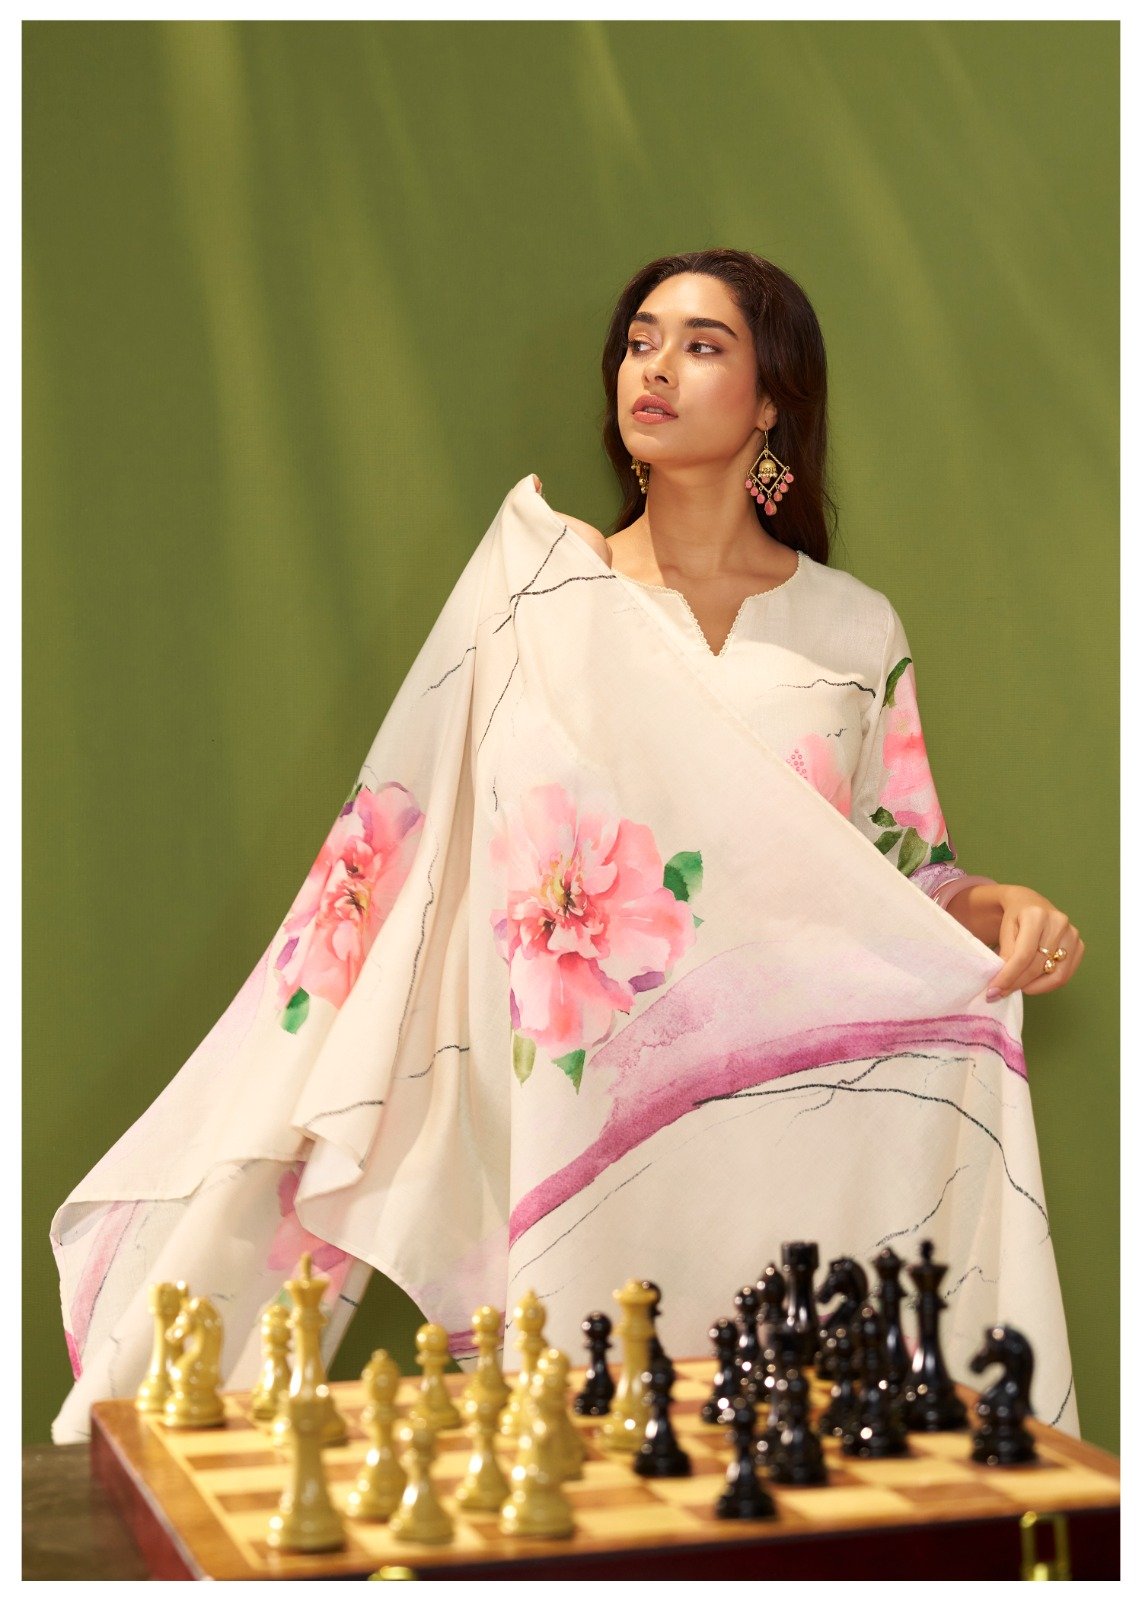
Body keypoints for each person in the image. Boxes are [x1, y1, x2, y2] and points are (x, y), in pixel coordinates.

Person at [49, 249, 1083, 1445]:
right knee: (583, 1457)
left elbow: (899, 873)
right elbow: (433, 832)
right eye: (639, 341)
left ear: (770, 402)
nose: (654, 366)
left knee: (764, 1461)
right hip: (565, 1113)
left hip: (775, 1120)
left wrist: (998, 906)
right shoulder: (541, 597)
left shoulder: (850, 628)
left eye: (700, 345)